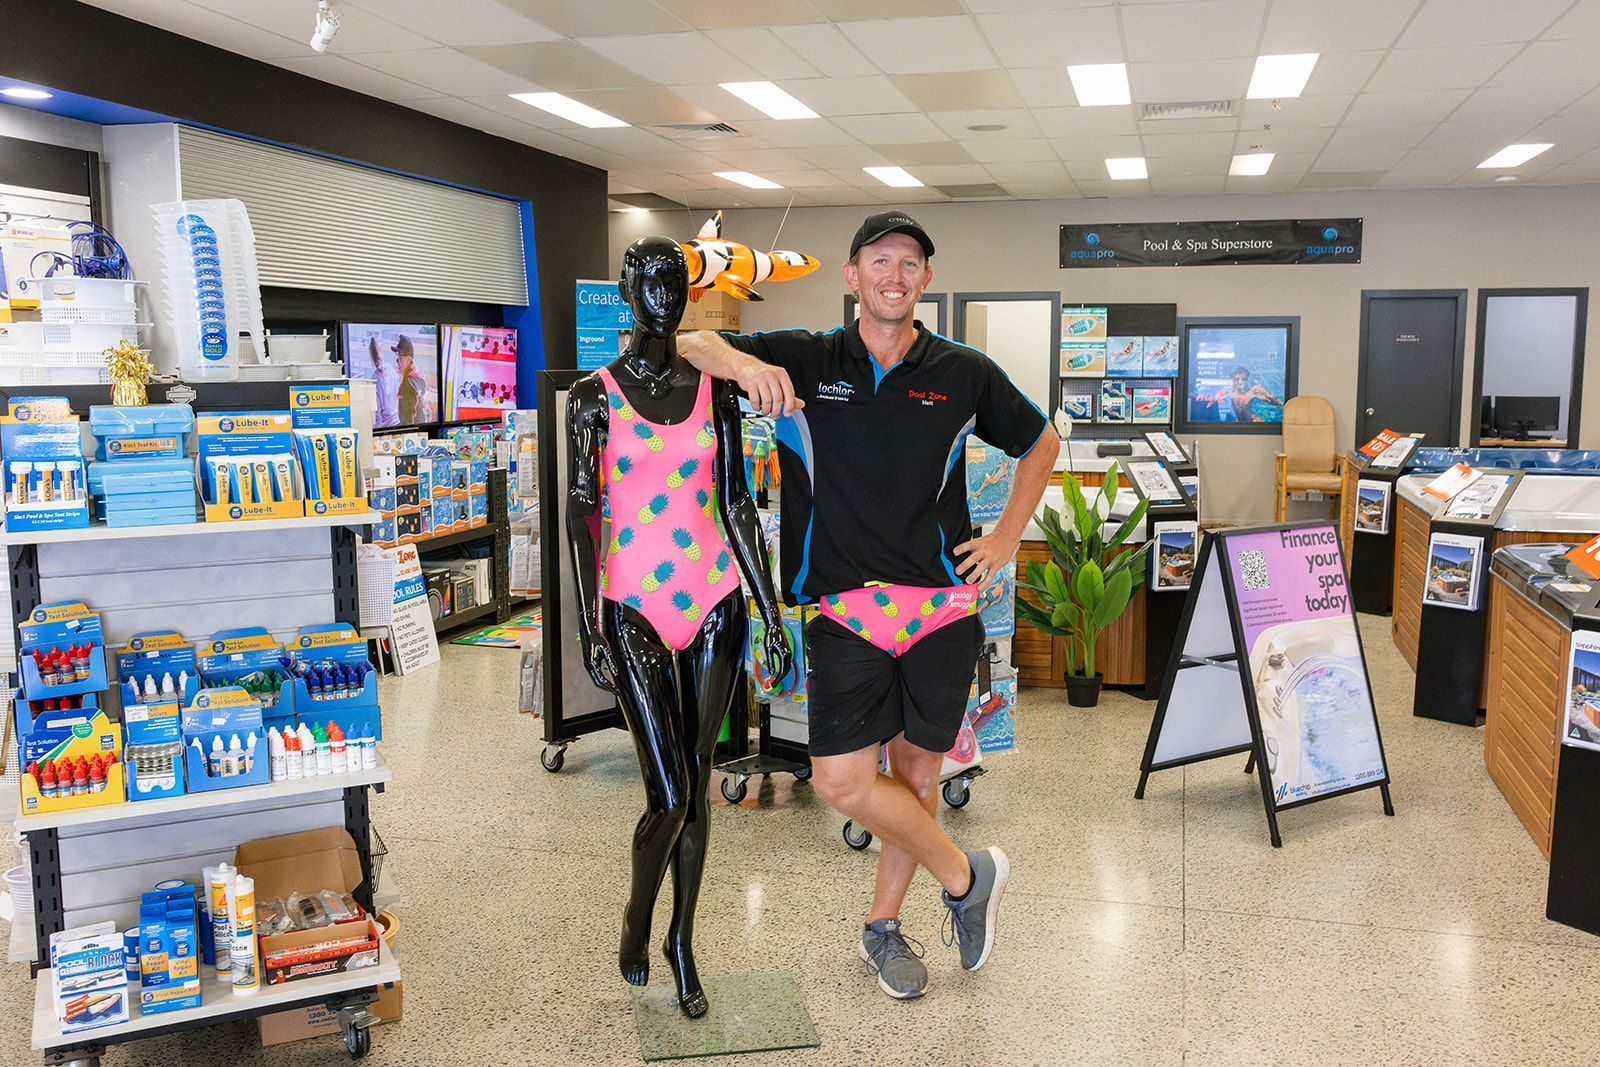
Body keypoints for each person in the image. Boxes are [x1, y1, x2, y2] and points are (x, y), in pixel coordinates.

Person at [678, 210, 1059, 1001]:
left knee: (916, 780)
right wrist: (741, 367)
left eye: (910, 263)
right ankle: (966, 876)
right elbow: (686, 344)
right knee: (843, 782)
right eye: (879, 260)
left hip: (942, 609)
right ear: (851, 275)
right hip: (846, 609)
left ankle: (882, 926)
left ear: (924, 281)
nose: (895, 274)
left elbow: (1040, 442)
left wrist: (1007, 539)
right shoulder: (807, 358)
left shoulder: (963, 371)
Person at [565, 235, 792, 1019]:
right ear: (626, 290)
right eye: (648, 280)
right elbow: (582, 511)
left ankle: (682, 941)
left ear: (687, 292)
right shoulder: (591, 397)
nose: (662, 292)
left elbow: (737, 504)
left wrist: (769, 610)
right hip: (631, 607)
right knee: (667, 791)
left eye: (673, 280)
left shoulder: (716, 389)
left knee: (697, 790)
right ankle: (636, 918)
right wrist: (591, 620)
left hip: (715, 601)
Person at [395, 335, 427, 425]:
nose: (397, 362)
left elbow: (407, 421)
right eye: (397, 359)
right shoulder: (419, 378)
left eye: (400, 359)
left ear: (409, 359)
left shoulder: (408, 383)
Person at [368, 337, 398, 429]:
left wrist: (376, 431)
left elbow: (377, 412)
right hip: (398, 421)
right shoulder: (391, 369)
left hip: (386, 427)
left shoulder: (375, 378)